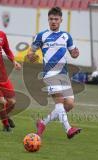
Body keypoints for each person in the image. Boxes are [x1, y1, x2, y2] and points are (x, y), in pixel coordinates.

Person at [27, 7, 81, 139]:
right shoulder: (42, 35)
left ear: (61, 20)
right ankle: (68, 129)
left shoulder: (66, 36)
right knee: (59, 102)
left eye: (56, 19)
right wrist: (31, 56)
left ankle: (42, 123)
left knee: (69, 104)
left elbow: (73, 53)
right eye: (51, 19)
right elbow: (30, 52)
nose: (53, 21)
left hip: (63, 74)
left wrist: (75, 53)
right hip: (50, 74)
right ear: (48, 20)